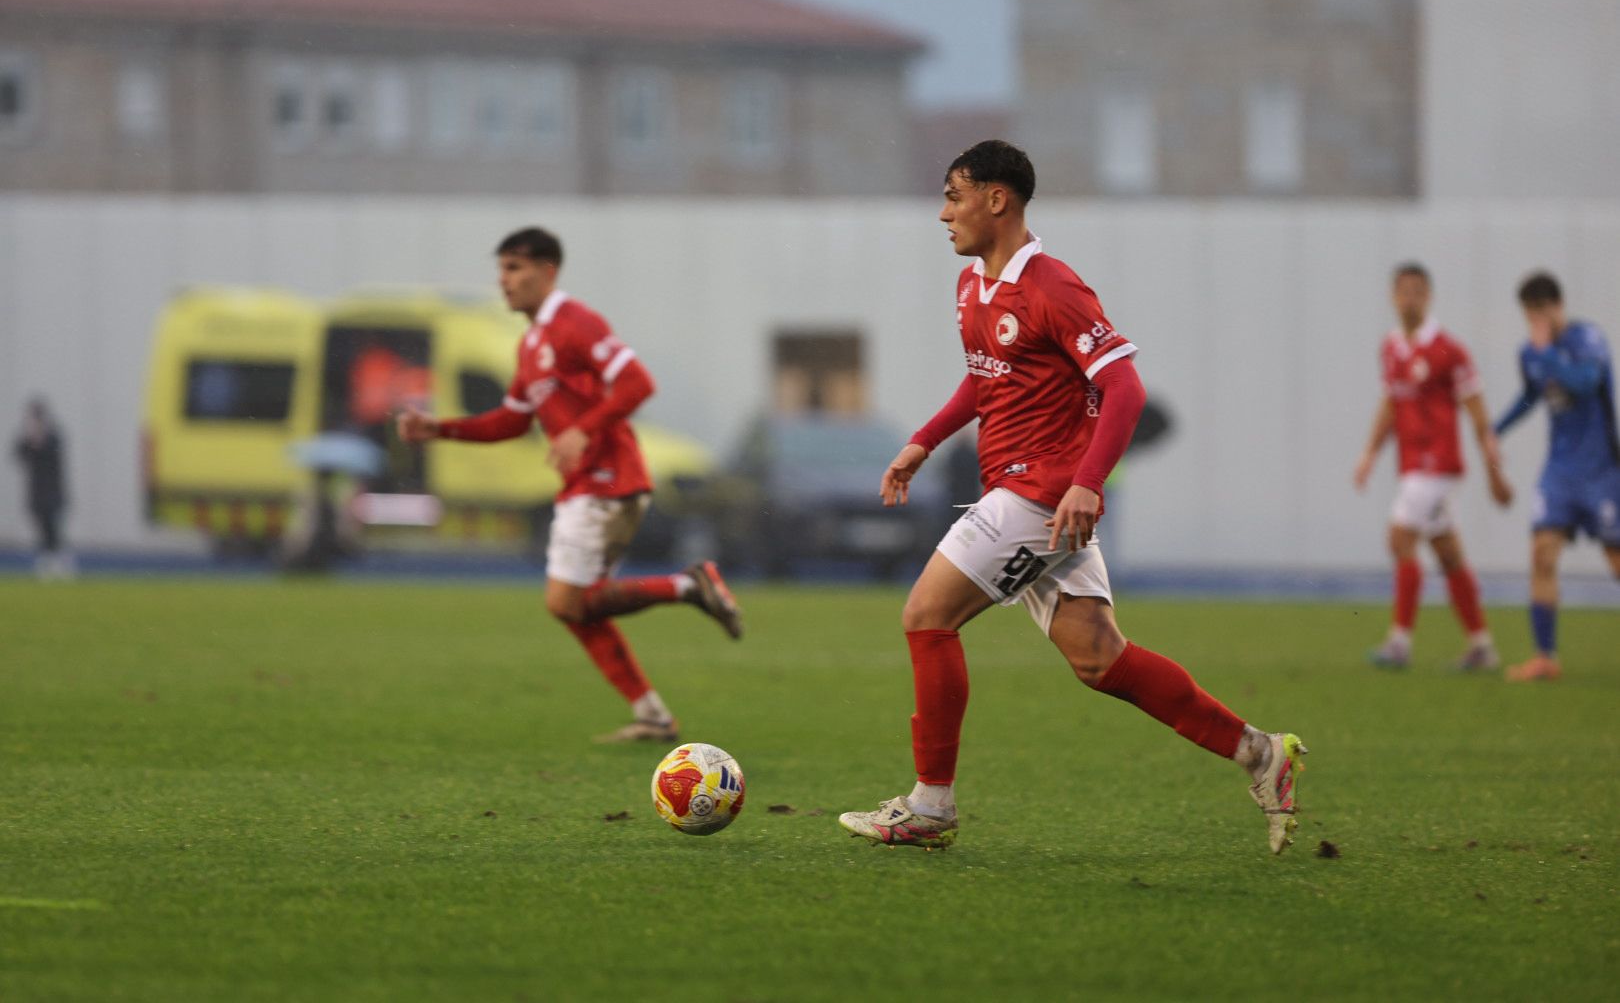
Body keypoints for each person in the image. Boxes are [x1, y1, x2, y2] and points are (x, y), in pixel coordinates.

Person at [836, 141, 1305, 854]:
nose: (943, 214)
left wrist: (1086, 482)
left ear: (998, 200)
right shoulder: (973, 287)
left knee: (927, 617)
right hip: (1026, 496)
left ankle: (930, 807)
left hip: (1041, 493)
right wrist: (924, 442)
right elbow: (985, 380)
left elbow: (1125, 386)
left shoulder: (1053, 287)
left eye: (954, 196)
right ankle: (1260, 754)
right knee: (1099, 659)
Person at [398, 227, 743, 741]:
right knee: (578, 605)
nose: (504, 280)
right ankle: (652, 713)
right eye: (501, 269)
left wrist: (583, 429)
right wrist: (441, 429)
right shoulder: (532, 342)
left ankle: (688, 586)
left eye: (515, 268)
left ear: (548, 271)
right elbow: (511, 421)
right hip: (588, 485)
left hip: (607, 479)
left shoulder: (575, 323)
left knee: (567, 602)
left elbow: (637, 383)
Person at [1352, 263, 1513, 671]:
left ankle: (1399, 643)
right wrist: (1370, 453)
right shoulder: (1391, 347)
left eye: (1417, 291)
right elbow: (1391, 403)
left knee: (1399, 539)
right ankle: (1481, 646)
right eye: (1403, 291)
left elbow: (1476, 410)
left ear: (1429, 296)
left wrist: (1493, 466)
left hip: (1439, 463)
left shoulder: (1448, 350)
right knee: (1447, 552)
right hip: (1411, 465)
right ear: (1392, 296)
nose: (1410, 299)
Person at [1493, 271, 1620, 682]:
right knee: (1541, 553)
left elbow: (1585, 383)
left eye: (1540, 312)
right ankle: (1545, 656)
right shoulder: (1530, 352)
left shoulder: (1587, 340)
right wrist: (1497, 430)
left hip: (1602, 470)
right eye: (1529, 314)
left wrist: (1547, 352)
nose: (1534, 322)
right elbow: (1532, 393)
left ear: (1556, 307)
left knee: (1616, 562)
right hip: (1560, 472)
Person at [12, 397, 73, 579]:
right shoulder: (28, 439)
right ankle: (48, 562)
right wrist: (31, 439)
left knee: (53, 528)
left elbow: (53, 453)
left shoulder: (53, 436)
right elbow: (19, 454)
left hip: (53, 491)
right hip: (36, 492)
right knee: (41, 528)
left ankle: (59, 562)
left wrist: (40, 441)